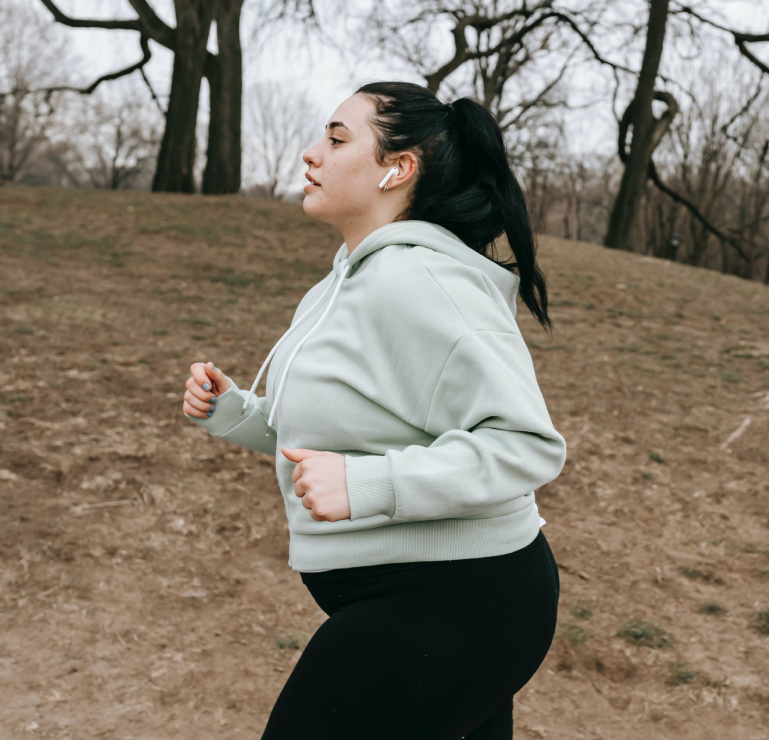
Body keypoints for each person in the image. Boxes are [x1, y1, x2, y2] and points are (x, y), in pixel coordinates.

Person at [180, 81, 566, 739]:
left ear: (398, 167)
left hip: (461, 600)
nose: (310, 154)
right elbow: (343, 430)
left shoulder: (423, 282)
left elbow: (526, 444)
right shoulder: (349, 277)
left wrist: (368, 485)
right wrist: (236, 412)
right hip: (422, 600)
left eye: (335, 140)